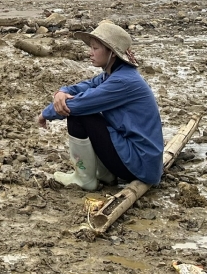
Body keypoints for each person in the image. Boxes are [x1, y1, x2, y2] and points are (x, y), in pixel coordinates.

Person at [36, 19, 164, 190]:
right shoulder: (112, 73)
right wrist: (61, 92)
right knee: (89, 113)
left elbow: (77, 105)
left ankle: (84, 179)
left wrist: (45, 114)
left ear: (112, 53)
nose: (90, 52)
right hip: (140, 159)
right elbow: (85, 86)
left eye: (95, 48)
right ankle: (105, 174)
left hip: (140, 166)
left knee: (78, 115)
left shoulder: (123, 81)